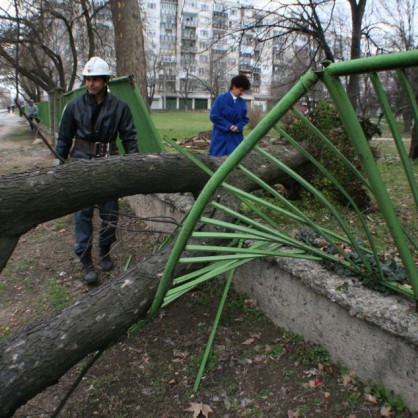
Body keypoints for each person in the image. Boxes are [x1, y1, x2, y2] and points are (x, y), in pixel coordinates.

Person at [55, 56, 139, 285]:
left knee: (110, 214)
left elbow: (129, 138)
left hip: (109, 165)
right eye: (88, 79)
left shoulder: (120, 107)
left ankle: (104, 251)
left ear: (105, 80)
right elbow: (64, 137)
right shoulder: (73, 106)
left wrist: (134, 165)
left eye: (95, 79)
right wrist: (59, 163)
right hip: (81, 165)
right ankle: (85, 261)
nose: (90, 83)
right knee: (82, 214)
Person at [208, 74, 251, 157]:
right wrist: (229, 126)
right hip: (221, 136)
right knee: (217, 161)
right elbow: (214, 116)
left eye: (243, 91)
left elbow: (244, 119)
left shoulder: (242, 102)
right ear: (234, 86)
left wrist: (238, 126)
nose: (242, 93)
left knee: (236, 160)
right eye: (241, 90)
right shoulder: (221, 98)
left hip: (236, 137)